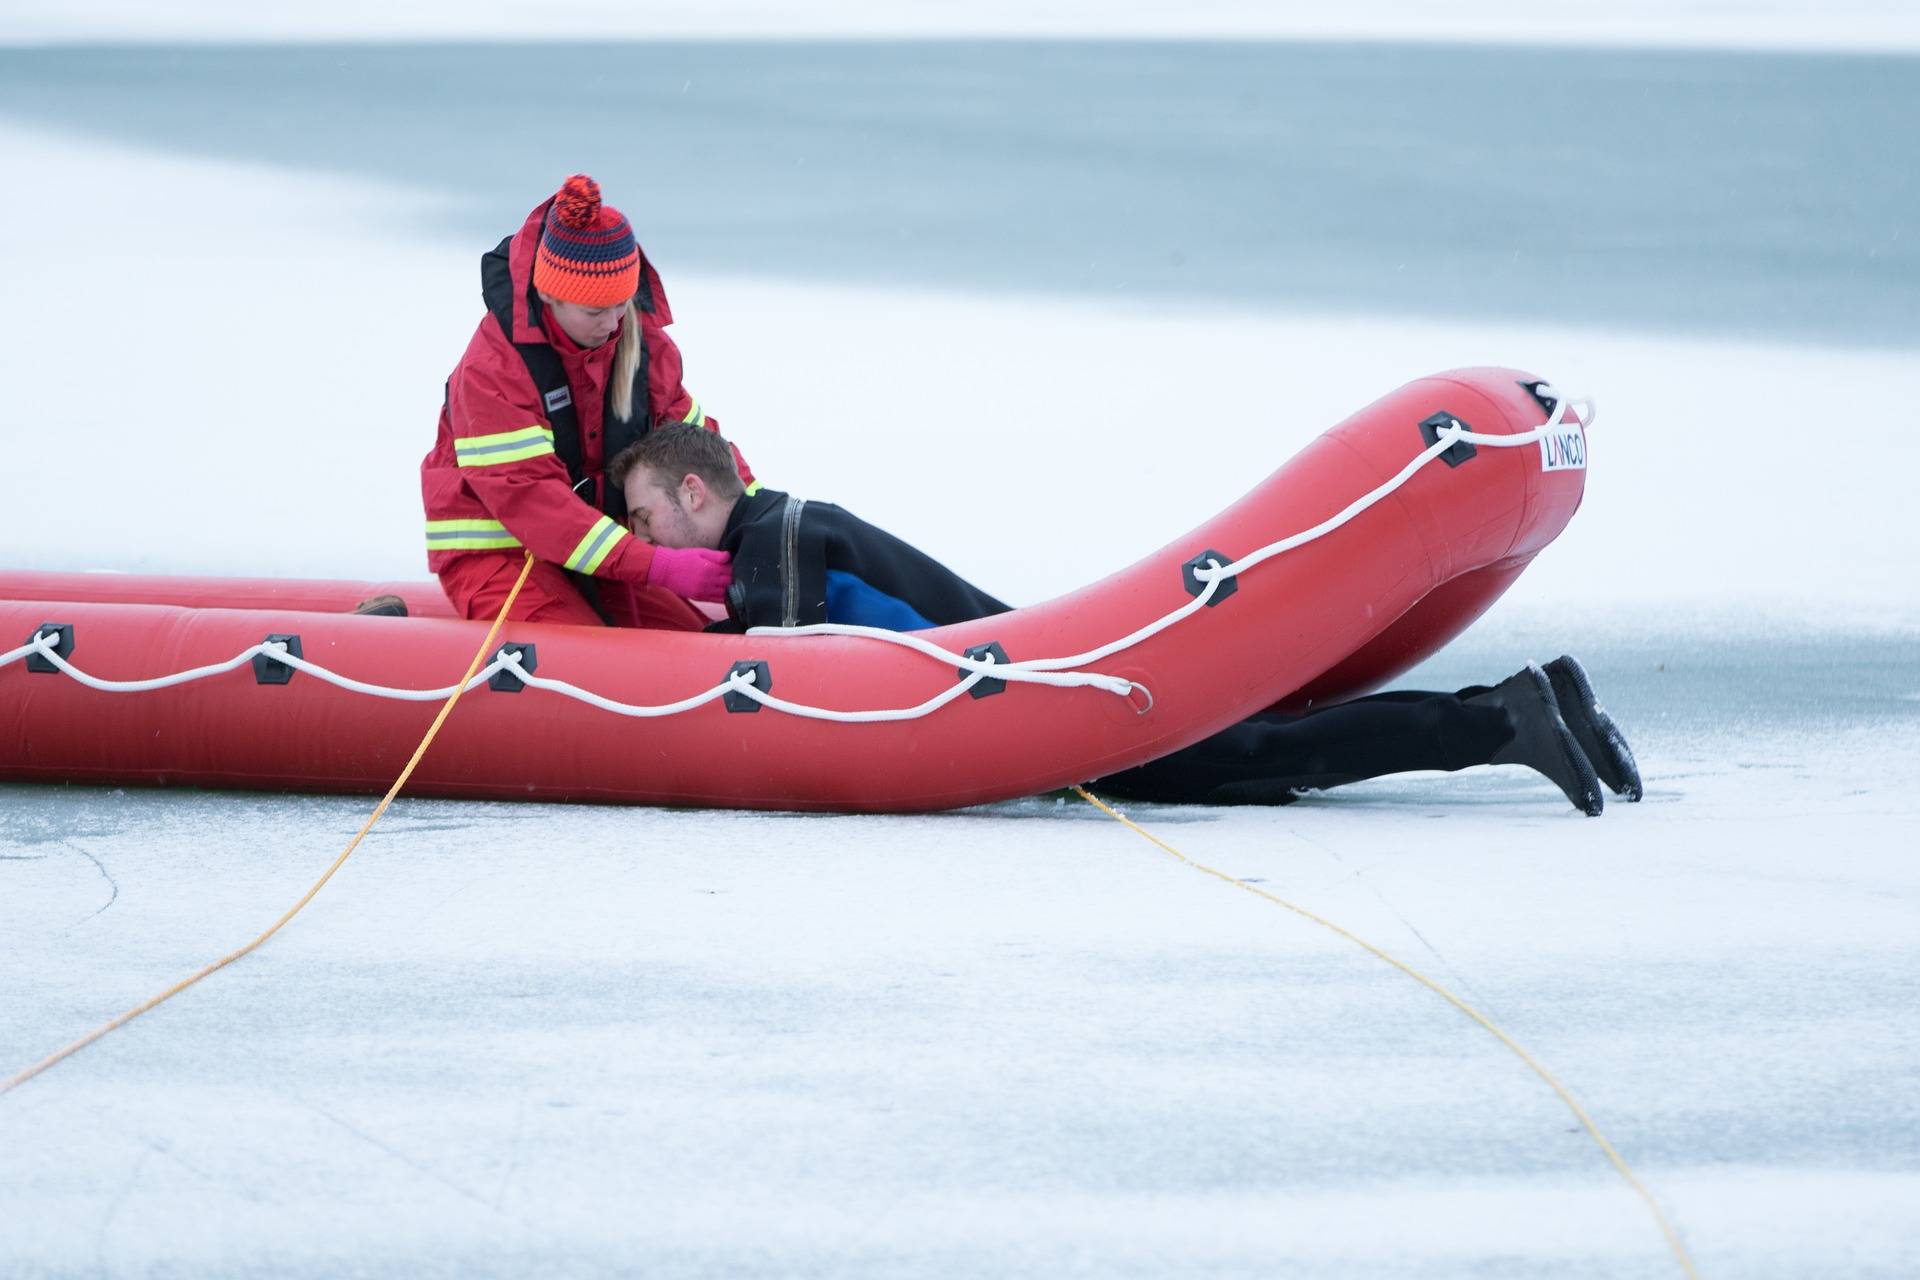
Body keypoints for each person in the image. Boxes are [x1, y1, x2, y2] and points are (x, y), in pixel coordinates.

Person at [612, 425, 1644, 814]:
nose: (641, 537)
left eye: (645, 516)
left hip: (1039, 692)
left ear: (696, 493)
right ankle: (1525, 704)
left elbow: (788, 683)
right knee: (1259, 746)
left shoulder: (773, 540)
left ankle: (1501, 721)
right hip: (1033, 678)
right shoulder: (789, 522)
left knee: (1254, 759)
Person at [417, 174, 744, 629]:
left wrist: (760, 522)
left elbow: (699, 452)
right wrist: (658, 565)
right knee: (595, 664)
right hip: (502, 556)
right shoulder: (493, 370)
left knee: (693, 645)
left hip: (597, 551)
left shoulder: (643, 349)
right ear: (548, 294)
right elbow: (536, 503)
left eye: (622, 304)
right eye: (595, 311)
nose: (613, 323)